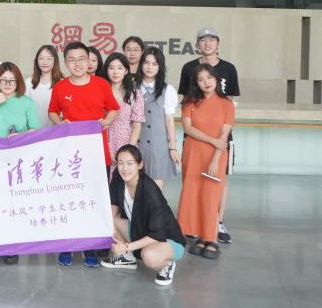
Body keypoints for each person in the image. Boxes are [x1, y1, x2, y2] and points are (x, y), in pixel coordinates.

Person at [48, 41, 119, 267]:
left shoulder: (101, 84)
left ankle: (91, 247)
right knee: (69, 199)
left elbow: (114, 108)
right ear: (65, 63)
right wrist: (60, 123)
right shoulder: (60, 87)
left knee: (94, 201)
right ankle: (68, 246)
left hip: (97, 153)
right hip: (69, 155)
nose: (77, 64)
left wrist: (107, 120)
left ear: (89, 61)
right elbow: (52, 112)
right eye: (72, 60)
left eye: (81, 59)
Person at [177, 28, 239, 245]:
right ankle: (192, 224)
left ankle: (216, 222)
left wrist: (219, 138)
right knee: (192, 182)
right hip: (195, 142)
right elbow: (186, 103)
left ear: (218, 43)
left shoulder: (229, 69)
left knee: (219, 181)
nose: (207, 43)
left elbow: (230, 101)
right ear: (197, 44)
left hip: (220, 139)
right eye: (203, 40)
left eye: (212, 39)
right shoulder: (188, 68)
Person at [0, 61, 40, 265]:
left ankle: (12, 245)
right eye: (3, 80)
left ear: (18, 82)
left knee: (14, 203)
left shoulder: (26, 103)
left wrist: (21, 136)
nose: (7, 84)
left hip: (19, 160)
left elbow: (35, 130)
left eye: (12, 80)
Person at [100, 145, 186, 286]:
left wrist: (126, 247)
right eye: (121, 163)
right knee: (110, 221)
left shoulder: (149, 191)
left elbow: (157, 234)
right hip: (141, 230)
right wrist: (111, 227)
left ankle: (166, 265)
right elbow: (114, 202)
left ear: (140, 165)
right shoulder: (118, 176)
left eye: (130, 163)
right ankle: (127, 259)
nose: (124, 168)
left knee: (149, 255)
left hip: (167, 239)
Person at [136, 47, 180, 189]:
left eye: (154, 64)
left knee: (156, 183)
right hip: (137, 143)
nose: (150, 67)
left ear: (160, 67)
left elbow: (169, 120)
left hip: (158, 144)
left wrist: (172, 147)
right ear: (141, 64)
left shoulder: (167, 90)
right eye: (146, 63)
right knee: (135, 182)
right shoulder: (133, 87)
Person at [98, 53, 144, 171]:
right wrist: (106, 148)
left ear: (126, 71)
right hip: (102, 142)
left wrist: (129, 150)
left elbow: (137, 125)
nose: (115, 72)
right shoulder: (99, 92)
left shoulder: (135, 93)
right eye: (111, 68)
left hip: (126, 142)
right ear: (106, 70)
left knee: (125, 177)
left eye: (120, 68)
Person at [25, 45, 63, 128]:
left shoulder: (62, 83)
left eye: (49, 59)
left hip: (54, 131)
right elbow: (24, 109)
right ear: (37, 61)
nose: (45, 62)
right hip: (32, 131)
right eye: (41, 58)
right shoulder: (29, 82)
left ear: (55, 61)